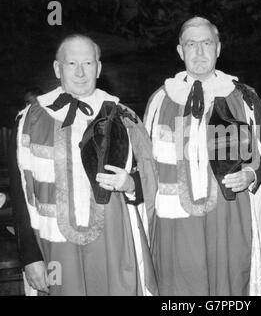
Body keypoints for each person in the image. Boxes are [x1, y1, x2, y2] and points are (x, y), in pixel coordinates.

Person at [144, 16, 261, 296]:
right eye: (191, 44)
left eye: (206, 43)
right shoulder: (160, 101)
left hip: (230, 220)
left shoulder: (243, 98)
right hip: (175, 226)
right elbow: (145, 168)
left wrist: (251, 174)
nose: (199, 51)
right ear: (180, 51)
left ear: (218, 48)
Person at [9, 34, 158, 296]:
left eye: (88, 64)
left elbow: (150, 183)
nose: (80, 72)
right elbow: (20, 193)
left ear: (98, 68)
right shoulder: (30, 120)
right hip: (54, 247)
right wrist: (30, 257)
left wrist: (130, 184)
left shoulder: (125, 117)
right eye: (71, 64)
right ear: (58, 68)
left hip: (115, 243)